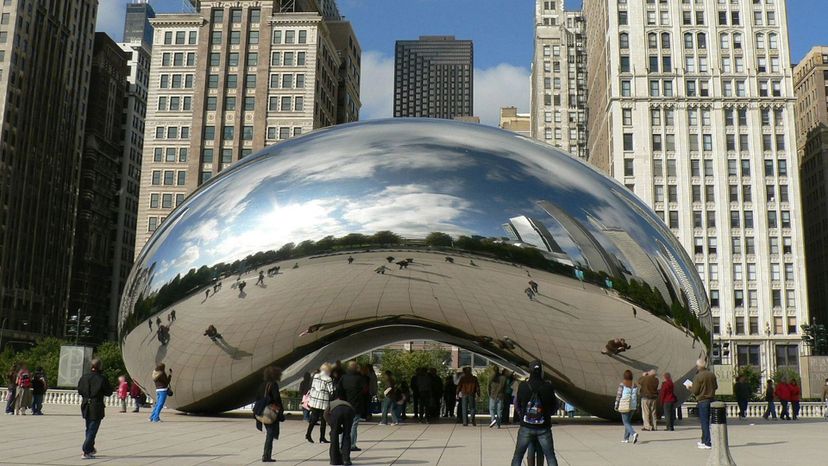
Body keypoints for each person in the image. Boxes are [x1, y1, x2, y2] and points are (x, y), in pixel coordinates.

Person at [511, 360, 559, 466]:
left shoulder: (523, 386)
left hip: (526, 426)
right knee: (550, 456)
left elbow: (517, 403)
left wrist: (522, 414)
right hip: (543, 426)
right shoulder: (548, 387)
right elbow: (555, 405)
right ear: (541, 371)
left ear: (530, 371)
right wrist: (547, 414)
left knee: (518, 456)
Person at [77, 358, 113, 459]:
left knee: (89, 427)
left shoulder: (84, 377)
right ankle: (86, 449)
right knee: (92, 428)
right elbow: (108, 392)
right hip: (96, 405)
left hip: (85, 404)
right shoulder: (101, 378)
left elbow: (79, 390)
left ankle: (90, 448)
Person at [254, 366, 284, 463]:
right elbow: (276, 398)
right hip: (269, 413)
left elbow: (258, 397)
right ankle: (266, 455)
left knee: (269, 433)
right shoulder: (273, 385)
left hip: (261, 411)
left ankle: (266, 455)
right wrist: (280, 409)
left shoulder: (262, 385)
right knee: (270, 434)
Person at [337, 361, 367, 452]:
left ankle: (342, 443)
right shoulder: (360, 378)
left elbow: (339, 390)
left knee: (344, 424)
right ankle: (352, 444)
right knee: (354, 425)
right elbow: (365, 390)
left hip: (345, 404)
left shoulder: (343, 377)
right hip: (356, 404)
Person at [690, 359, 717, 450]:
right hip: (711, 400)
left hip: (702, 401)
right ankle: (703, 440)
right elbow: (716, 386)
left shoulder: (698, 376)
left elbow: (695, 391)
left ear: (698, 366)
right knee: (707, 421)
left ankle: (707, 442)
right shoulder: (711, 374)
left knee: (704, 422)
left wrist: (690, 387)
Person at [307, 363, 334, 443]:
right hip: (323, 401)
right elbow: (331, 391)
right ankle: (322, 437)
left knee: (313, 419)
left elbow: (312, 387)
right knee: (323, 420)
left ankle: (308, 434)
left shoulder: (316, 376)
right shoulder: (328, 379)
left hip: (314, 400)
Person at [326, 396, 355, 466]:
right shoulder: (347, 403)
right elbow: (353, 414)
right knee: (347, 435)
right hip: (349, 411)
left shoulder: (331, 403)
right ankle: (346, 460)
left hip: (336, 412)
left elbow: (325, 415)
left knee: (334, 436)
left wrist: (333, 427)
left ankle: (334, 460)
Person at [615, 370, 639, 444]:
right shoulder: (634, 385)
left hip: (625, 404)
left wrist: (616, 404)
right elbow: (636, 395)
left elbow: (619, 395)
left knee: (625, 422)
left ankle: (633, 433)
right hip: (632, 405)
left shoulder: (622, 384)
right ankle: (626, 438)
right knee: (628, 422)